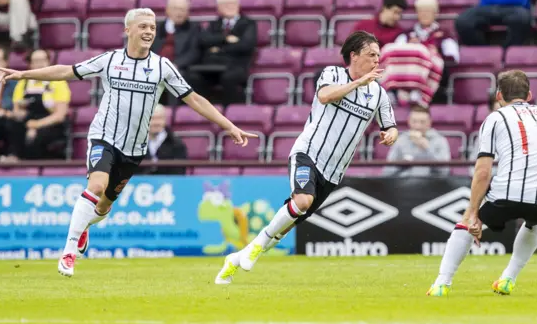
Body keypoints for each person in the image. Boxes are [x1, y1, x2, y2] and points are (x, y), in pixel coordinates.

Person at [0, 7, 257, 277]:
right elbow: (67, 71)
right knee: (96, 185)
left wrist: (228, 126)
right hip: (104, 137)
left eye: (153, 28)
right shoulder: (109, 61)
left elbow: (195, 99)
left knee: (103, 206)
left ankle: (85, 225)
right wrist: (25, 74)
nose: (148, 32)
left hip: (134, 149)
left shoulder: (162, 66)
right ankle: (69, 250)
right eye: (143, 26)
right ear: (128, 30)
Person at [214, 31, 399, 285]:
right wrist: (359, 82)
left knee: (289, 222)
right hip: (308, 153)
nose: (377, 61)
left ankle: (240, 256)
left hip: (334, 172)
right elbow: (325, 96)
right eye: (371, 55)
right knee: (302, 201)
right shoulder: (332, 74)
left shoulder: (378, 94)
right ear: (354, 56)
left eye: (379, 56)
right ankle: (253, 251)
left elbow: (391, 125)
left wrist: (390, 134)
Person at [427, 70, 537, 297]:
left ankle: (442, 283)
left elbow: (482, 171)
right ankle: (508, 278)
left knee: (466, 224)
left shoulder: (495, 118)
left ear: (499, 96)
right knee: (536, 220)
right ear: (529, 95)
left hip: (507, 195)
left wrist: (473, 212)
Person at [7, 48, 70, 160]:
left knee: (37, 137)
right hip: (29, 120)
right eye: (35, 61)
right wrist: (20, 113)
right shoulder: (23, 83)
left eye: (42, 60)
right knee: (14, 126)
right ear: (30, 64)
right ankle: (13, 158)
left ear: (48, 62)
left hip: (50, 123)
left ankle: (34, 169)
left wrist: (36, 125)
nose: (39, 64)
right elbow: (16, 110)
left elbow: (60, 115)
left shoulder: (58, 82)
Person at [382, 105, 451, 177]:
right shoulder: (400, 140)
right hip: (404, 184)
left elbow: (444, 171)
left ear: (430, 122)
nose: (418, 126)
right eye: (414, 121)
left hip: (431, 184)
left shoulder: (440, 141)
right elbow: (387, 172)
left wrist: (427, 149)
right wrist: (402, 164)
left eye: (422, 122)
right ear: (409, 121)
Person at [141, 104, 188, 175]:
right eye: (152, 118)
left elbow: (179, 174)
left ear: (165, 120)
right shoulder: (135, 144)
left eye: (160, 118)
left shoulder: (177, 144)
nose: (156, 123)